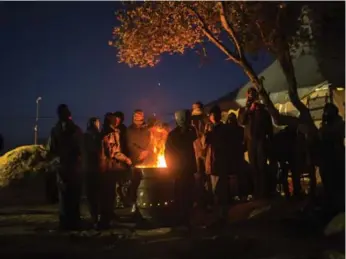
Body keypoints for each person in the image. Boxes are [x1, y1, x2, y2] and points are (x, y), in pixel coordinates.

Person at [47, 104, 83, 230]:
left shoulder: (57, 130)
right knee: (71, 194)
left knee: (67, 195)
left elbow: (51, 149)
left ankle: (67, 222)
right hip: (69, 167)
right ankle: (71, 221)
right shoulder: (73, 129)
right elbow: (81, 148)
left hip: (66, 166)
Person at [238, 87, 273, 199]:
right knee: (254, 167)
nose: (251, 96)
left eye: (253, 94)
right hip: (250, 142)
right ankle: (256, 192)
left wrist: (269, 140)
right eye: (249, 94)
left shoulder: (263, 110)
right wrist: (249, 110)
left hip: (261, 141)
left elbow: (269, 127)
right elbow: (241, 121)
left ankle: (264, 192)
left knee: (262, 166)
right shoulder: (245, 110)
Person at [99, 112, 132, 229]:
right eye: (114, 119)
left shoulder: (114, 132)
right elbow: (113, 152)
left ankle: (109, 215)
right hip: (107, 167)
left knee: (110, 193)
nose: (117, 121)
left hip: (110, 167)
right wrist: (127, 159)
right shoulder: (109, 134)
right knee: (107, 193)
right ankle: (105, 219)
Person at [165, 109, 197, 228]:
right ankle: (181, 220)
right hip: (179, 171)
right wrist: (172, 168)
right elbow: (168, 153)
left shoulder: (191, 132)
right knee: (180, 196)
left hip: (188, 170)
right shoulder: (174, 135)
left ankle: (187, 219)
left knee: (188, 196)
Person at [204, 105, 232, 224]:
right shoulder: (210, 129)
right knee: (214, 191)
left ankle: (222, 216)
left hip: (220, 163)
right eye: (211, 115)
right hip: (212, 164)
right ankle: (218, 216)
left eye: (215, 114)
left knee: (220, 191)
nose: (213, 117)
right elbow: (204, 145)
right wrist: (206, 132)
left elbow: (222, 145)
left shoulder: (224, 129)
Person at [319, 103, 345, 215]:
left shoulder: (338, 124)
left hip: (335, 158)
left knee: (337, 185)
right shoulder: (327, 126)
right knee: (330, 186)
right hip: (328, 159)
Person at [126, 109, 151, 219]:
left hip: (146, 160)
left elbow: (151, 141)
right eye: (137, 116)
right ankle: (133, 205)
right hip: (134, 160)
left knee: (144, 183)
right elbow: (130, 144)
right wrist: (139, 152)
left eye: (141, 116)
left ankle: (144, 203)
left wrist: (147, 151)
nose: (139, 118)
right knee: (135, 182)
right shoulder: (130, 130)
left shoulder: (146, 129)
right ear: (134, 118)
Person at [226, 112, 251, 201]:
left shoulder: (230, 130)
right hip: (236, 156)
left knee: (236, 176)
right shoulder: (240, 130)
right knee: (237, 176)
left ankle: (237, 195)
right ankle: (240, 194)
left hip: (234, 156)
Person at [83, 117, 102, 226]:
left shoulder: (85, 136)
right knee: (96, 194)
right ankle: (96, 217)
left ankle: (94, 216)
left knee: (91, 194)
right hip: (95, 168)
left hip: (88, 168)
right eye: (97, 123)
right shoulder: (95, 136)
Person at [191, 102, 209, 209]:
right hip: (197, 151)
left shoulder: (205, 120)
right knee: (199, 176)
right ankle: (200, 199)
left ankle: (204, 199)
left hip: (204, 151)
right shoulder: (191, 122)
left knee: (204, 175)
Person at [112, 111, 131, 208]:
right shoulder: (111, 130)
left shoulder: (124, 129)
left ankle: (124, 200)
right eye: (116, 118)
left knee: (124, 181)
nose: (117, 120)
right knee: (117, 182)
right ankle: (119, 200)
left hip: (124, 158)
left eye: (119, 118)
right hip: (115, 159)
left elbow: (127, 143)